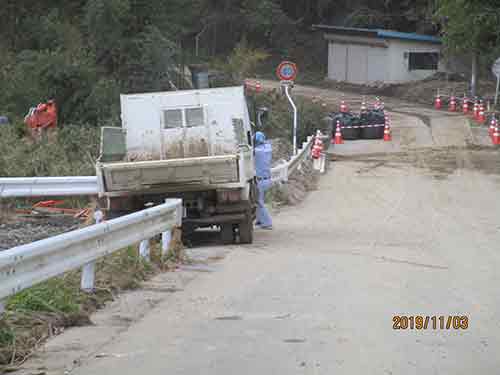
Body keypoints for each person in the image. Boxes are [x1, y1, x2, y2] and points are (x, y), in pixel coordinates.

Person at [254, 131, 273, 229]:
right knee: (259, 200)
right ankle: (259, 220)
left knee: (259, 202)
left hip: (260, 180)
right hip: (267, 179)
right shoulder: (268, 148)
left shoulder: (256, 152)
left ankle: (267, 223)